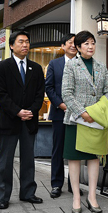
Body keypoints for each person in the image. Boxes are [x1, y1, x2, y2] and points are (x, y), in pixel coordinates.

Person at [62, 30, 108, 213]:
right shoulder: (71, 66)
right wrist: (83, 113)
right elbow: (66, 93)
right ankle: (76, 196)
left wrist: (97, 111)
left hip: (96, 120)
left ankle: (92, 196)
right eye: (86, 43)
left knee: (93, 158)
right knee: (75, 159)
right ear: (77, 47)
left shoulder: (101, 66)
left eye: (92, 43)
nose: (91, 46)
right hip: (76, 120)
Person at [0, 30, 45, 209]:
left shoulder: (36, 68)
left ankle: (28, 192)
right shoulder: (2, 67)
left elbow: (40, 94)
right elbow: (1, 95)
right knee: (5, 161)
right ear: (11, 45)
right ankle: (3, 196)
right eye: (21, 41)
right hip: (9, 120)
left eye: (27, 42)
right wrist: (17, 111)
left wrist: (30, 111)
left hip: (29, 121)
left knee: (28, 159)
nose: (25, 45)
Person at [45, 33, 79, 198]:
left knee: (76, 149)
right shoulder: (54, 64)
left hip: (79, 114)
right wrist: (61, 104)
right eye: (70, 43)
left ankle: (74, 185)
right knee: (58, 149)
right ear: (63, 46)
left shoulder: (83, 64)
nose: (73, 45)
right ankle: (56, 184)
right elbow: (49, 87)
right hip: (60, 113)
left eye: (75, 43)